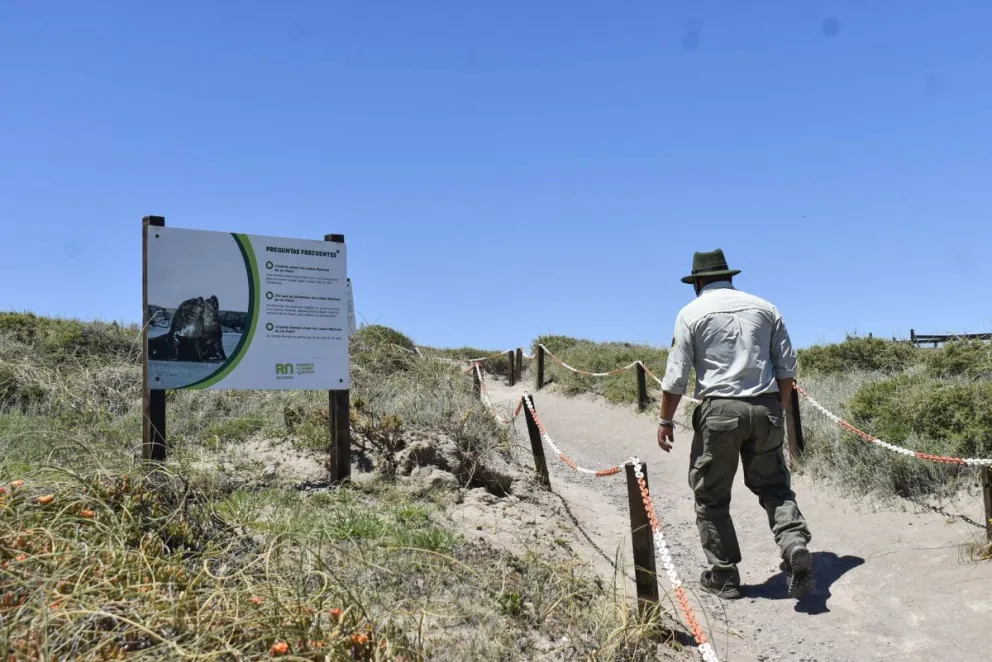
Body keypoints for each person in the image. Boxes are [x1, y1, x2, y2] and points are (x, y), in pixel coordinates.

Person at [656, 248, 814, 600]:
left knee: (711, 496)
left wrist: (665, 419)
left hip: (720, 412)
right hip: (766, 407)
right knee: (774, 488)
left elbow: (676, 376)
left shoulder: (690, 313)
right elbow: (787, 368)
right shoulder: (765, 307)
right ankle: (793, 546)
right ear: (729, 276)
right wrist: (778, 410)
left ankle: (724, 575)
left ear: (697, 282)